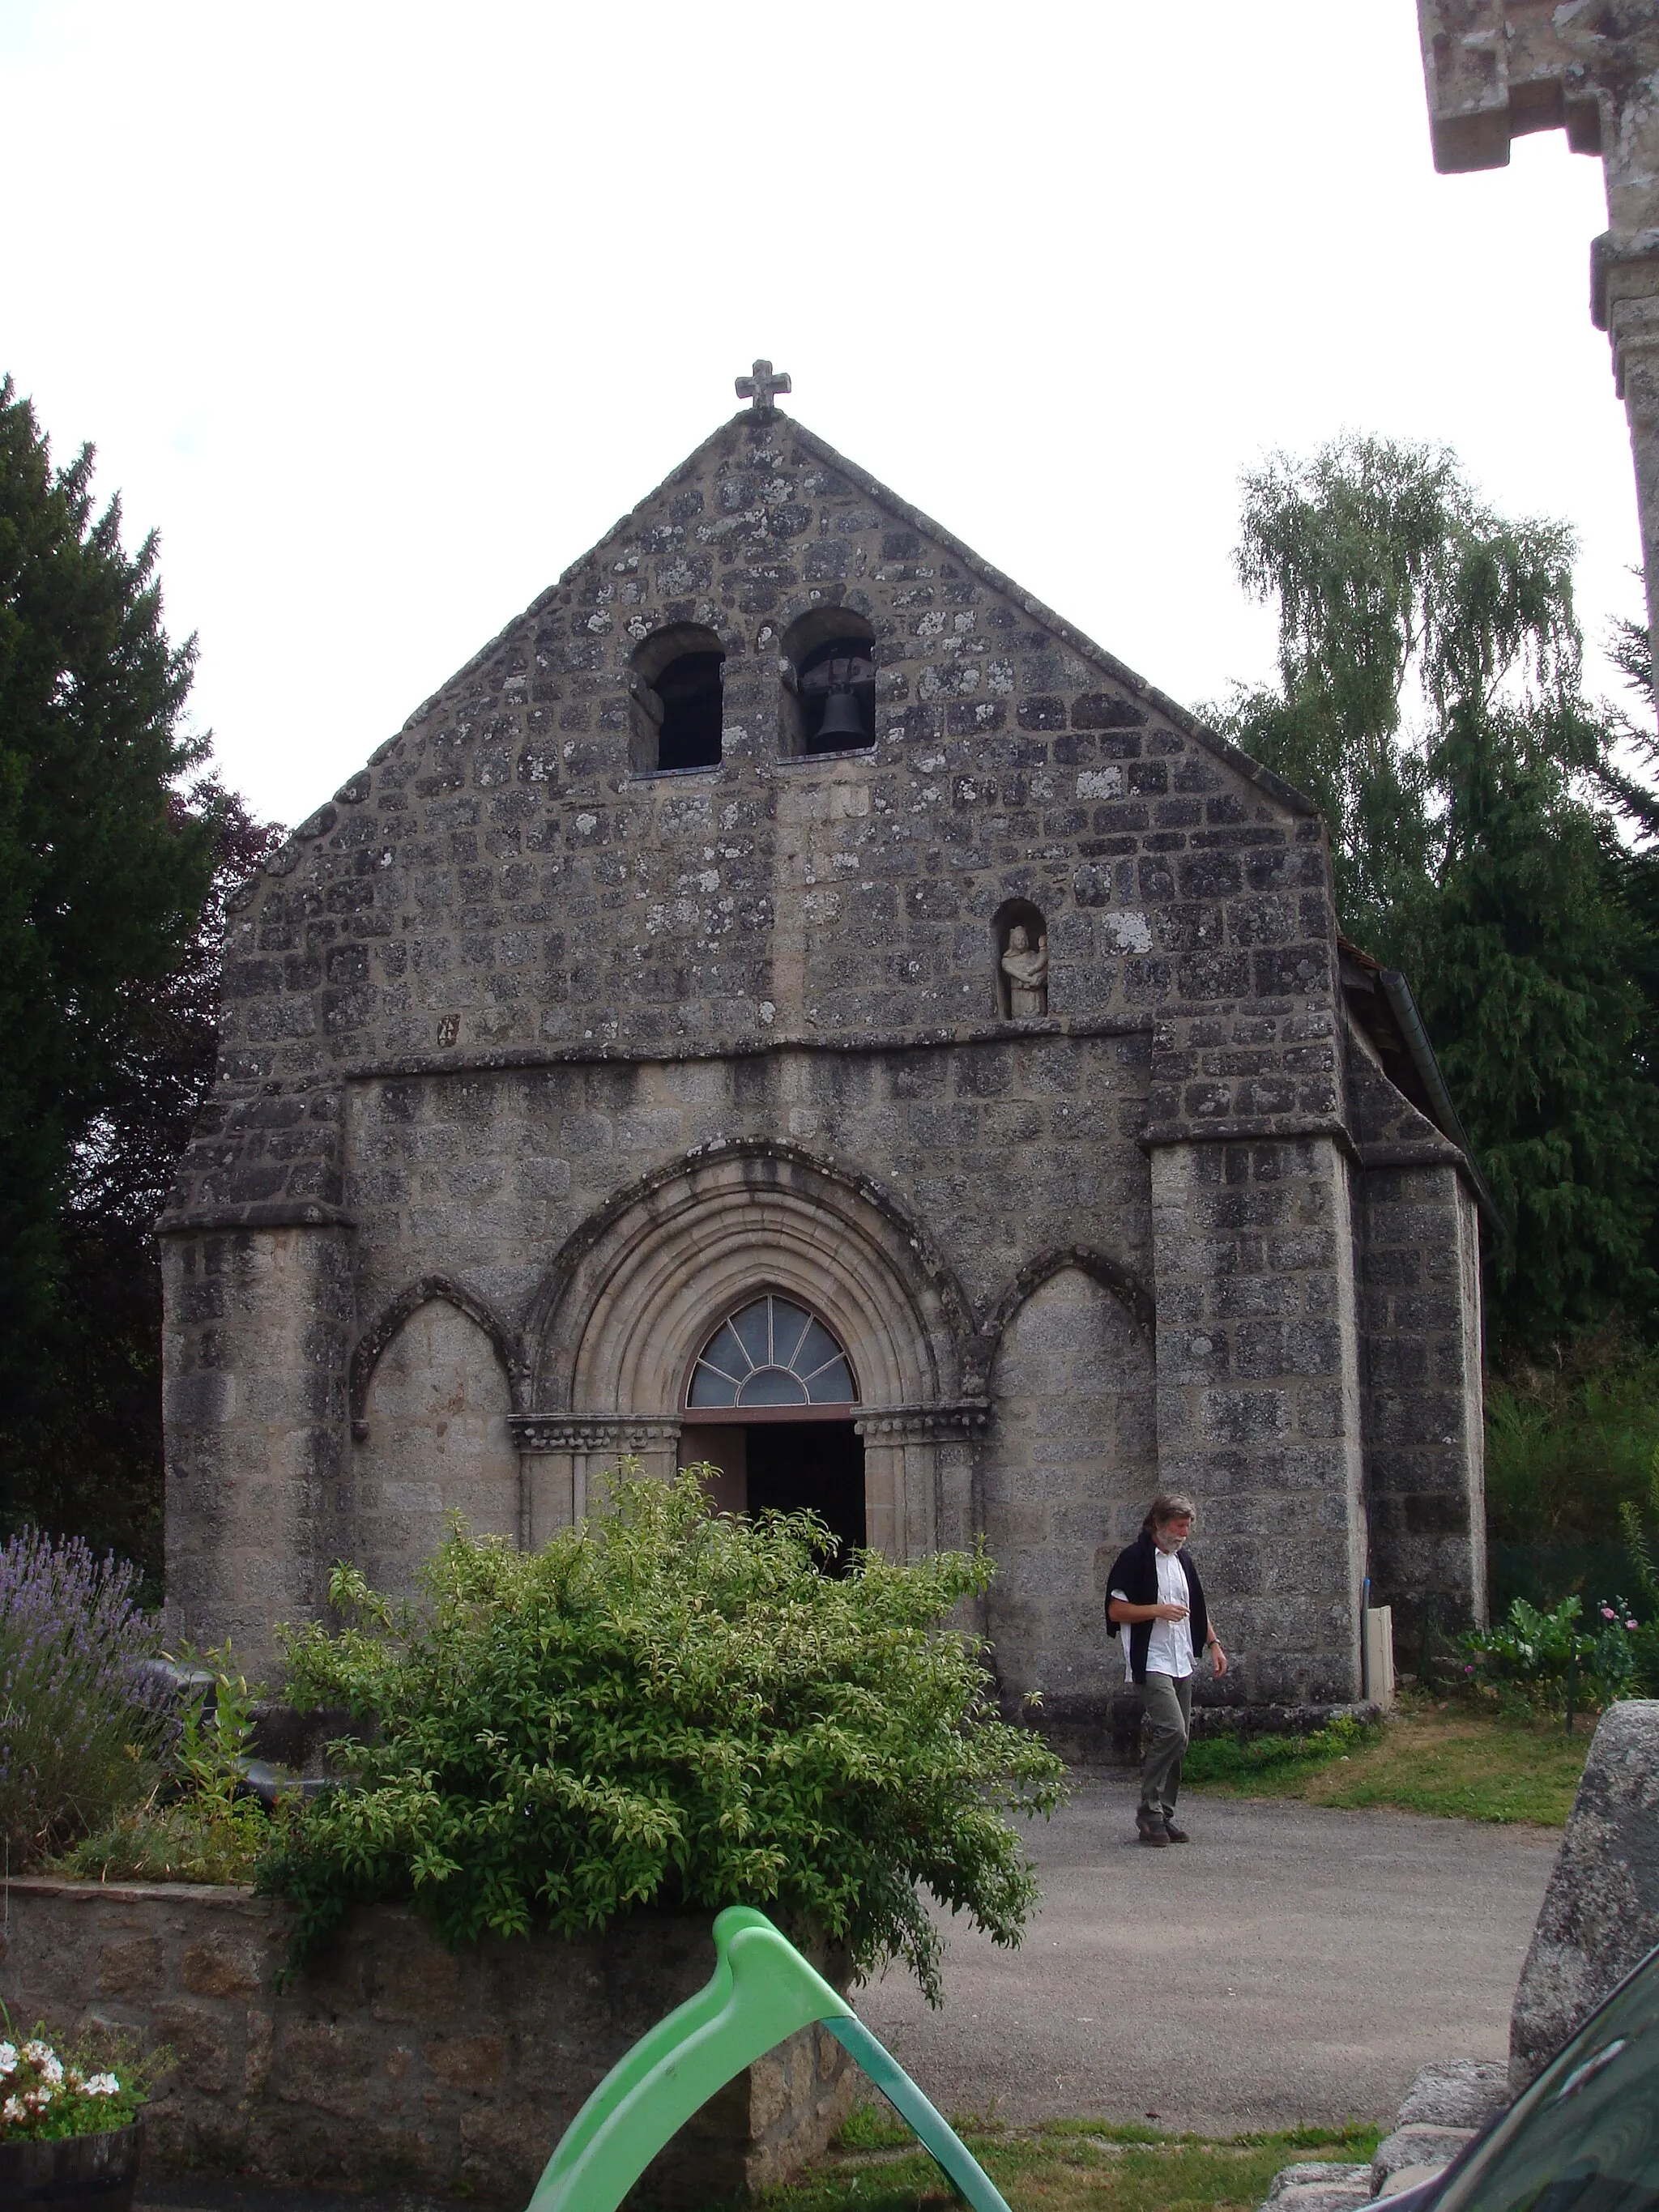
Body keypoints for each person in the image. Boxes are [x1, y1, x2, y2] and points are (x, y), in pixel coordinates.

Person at [1105, 1494, 1227, 1846]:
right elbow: (1116, 1611)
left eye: (1188, 1525)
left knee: (1181, 1740)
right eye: (1180, 1524)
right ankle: (1149, 1810)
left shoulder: (1182, 1560)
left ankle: (1163, 1815)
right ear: (1159, 1524)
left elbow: (1196, 1608)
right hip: (1151, 1658)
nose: (1185, 1531)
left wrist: (1214, 1645)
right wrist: (1158, 1610)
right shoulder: (1134, 1559)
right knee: (1172, 1730)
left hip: (1181, 1657)